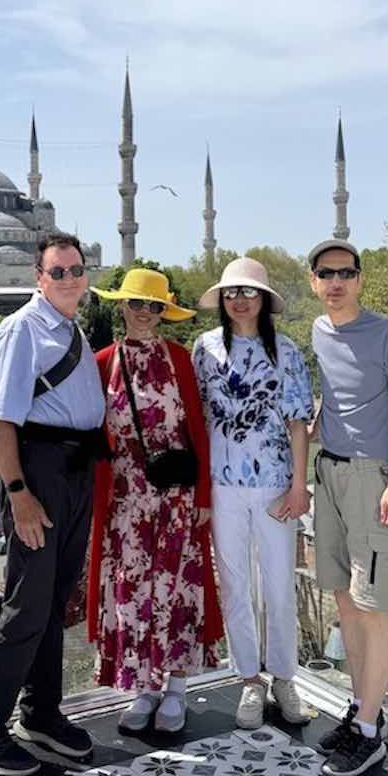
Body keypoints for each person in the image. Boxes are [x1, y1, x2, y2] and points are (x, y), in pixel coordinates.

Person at [0, 234, 106, 776]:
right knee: (26, 603)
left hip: (73, 472)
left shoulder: (70, 330)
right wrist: (19, 494)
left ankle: (41, 714)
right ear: (38, 277)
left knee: (53, 600)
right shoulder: (21, 329)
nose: (69, 279)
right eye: (57, 271)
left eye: (76, 270)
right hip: (37, 476)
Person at [86, 269, 223, 734]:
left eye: (154, 307)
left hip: (176, 498)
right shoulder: (103, 361)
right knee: (135, 594)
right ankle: (144, 687)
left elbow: (198, 432)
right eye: (136, 305)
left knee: (178, 589)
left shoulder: (180, 360)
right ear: (121, 308)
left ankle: (177, 689)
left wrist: (203, 495)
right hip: (126, 501)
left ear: (165, 313)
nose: (144, 314)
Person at [308, 238, 388, 776]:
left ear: (359, 279)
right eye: (326, 274)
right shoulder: (318, 332)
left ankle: (373, 731)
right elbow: (331, 398)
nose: (336, 282)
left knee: (375, 609)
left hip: (373, 478)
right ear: (313, 281)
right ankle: (360, 711)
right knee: (346, 603)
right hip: (327, 473)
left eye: (346, 273)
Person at [193, 257, 314, 730]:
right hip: (223, 484)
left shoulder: (286, 352)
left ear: (264, 300)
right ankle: (248, 678)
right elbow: (199, 418)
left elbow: (299, 423)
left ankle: (284, 675)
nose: (239, 300)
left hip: (273, 483)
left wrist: (298, 484)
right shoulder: (205, 349)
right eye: (231, 293)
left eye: (248, 292)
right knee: (236, 583)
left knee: (280, 582)